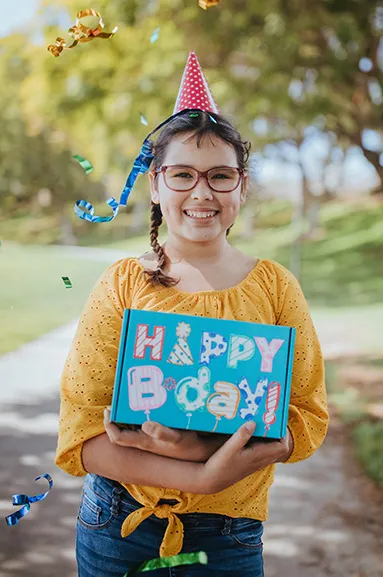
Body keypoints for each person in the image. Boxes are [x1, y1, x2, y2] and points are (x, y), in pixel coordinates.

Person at [56, 52, 329, 577]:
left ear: (242, 187)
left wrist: (196, 450)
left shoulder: (275, 288)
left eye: (220, 176)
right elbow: (82, 433)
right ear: (156, 187)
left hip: (229, 534)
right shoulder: (122, 284)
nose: (201, 192)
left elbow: (306, 414)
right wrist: (202, 474)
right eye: (181, 175)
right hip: (119, 525)